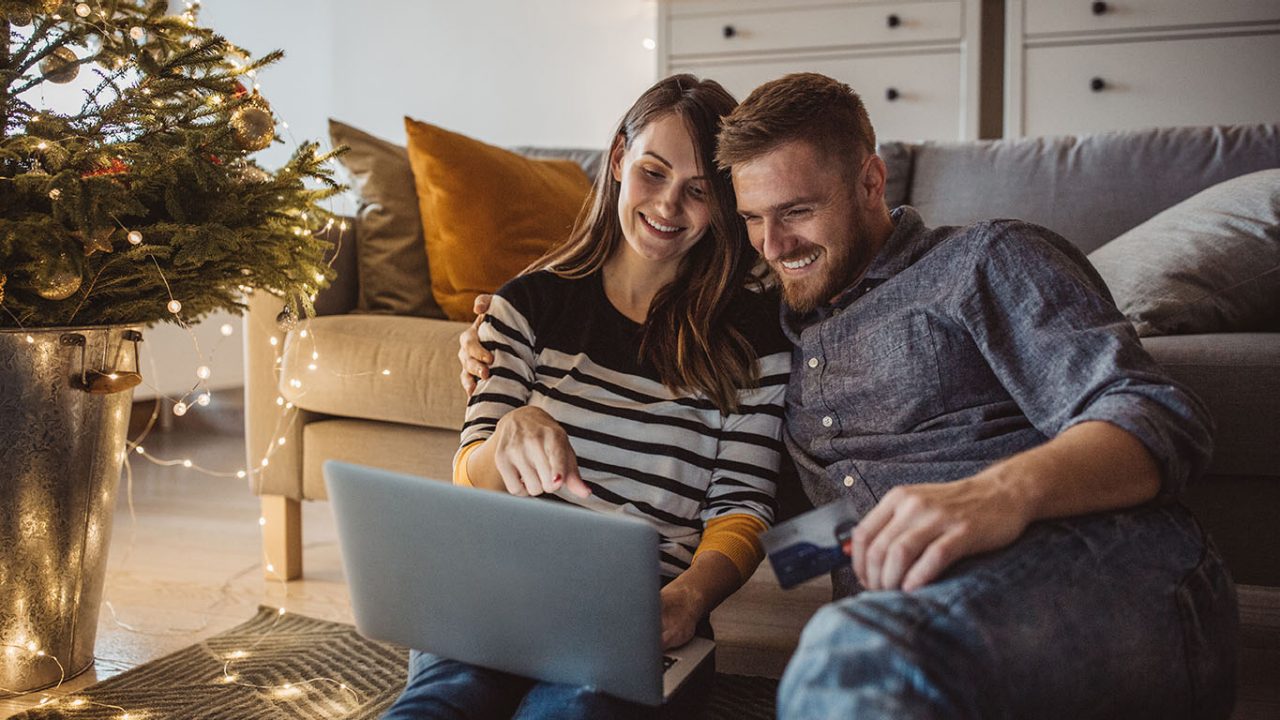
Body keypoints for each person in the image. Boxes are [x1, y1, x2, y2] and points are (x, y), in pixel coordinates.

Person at [461, 72, 1239, 719]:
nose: (775, 245)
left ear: (872, 180)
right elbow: (789, 522)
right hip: (909, 617)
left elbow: (1159, 416)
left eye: (798, 212)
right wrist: (683, 594)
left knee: (847, 660)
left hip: (1086, 574)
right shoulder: (777, 332)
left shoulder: (983, 261)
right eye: (754, 219)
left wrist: (992, 495)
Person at [385, 74, 791, 720]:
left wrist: (689, 599)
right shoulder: (528, 303)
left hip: (646, 619)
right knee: (440, 705)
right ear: (618, 160)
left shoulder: (752, 339)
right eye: (652, 173)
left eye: (698, 192)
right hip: (496, 593)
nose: (667, 207)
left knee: (570, 713)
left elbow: (741, 507)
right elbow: (470, 476)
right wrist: (507, 436)